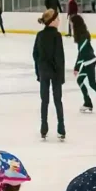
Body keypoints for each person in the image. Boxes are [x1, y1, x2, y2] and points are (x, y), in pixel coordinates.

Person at [33, 9, 66, 141]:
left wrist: (38, 72)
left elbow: (35, 54)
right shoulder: (56, 36)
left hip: (43, 71)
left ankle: (43, 127)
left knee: (44, 101)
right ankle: (61, 127)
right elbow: (59, 57)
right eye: (57, 19)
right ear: (52, 21)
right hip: (55, 72)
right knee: (58, 100)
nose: (59, 21)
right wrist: (61, 75)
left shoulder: (40, 35)